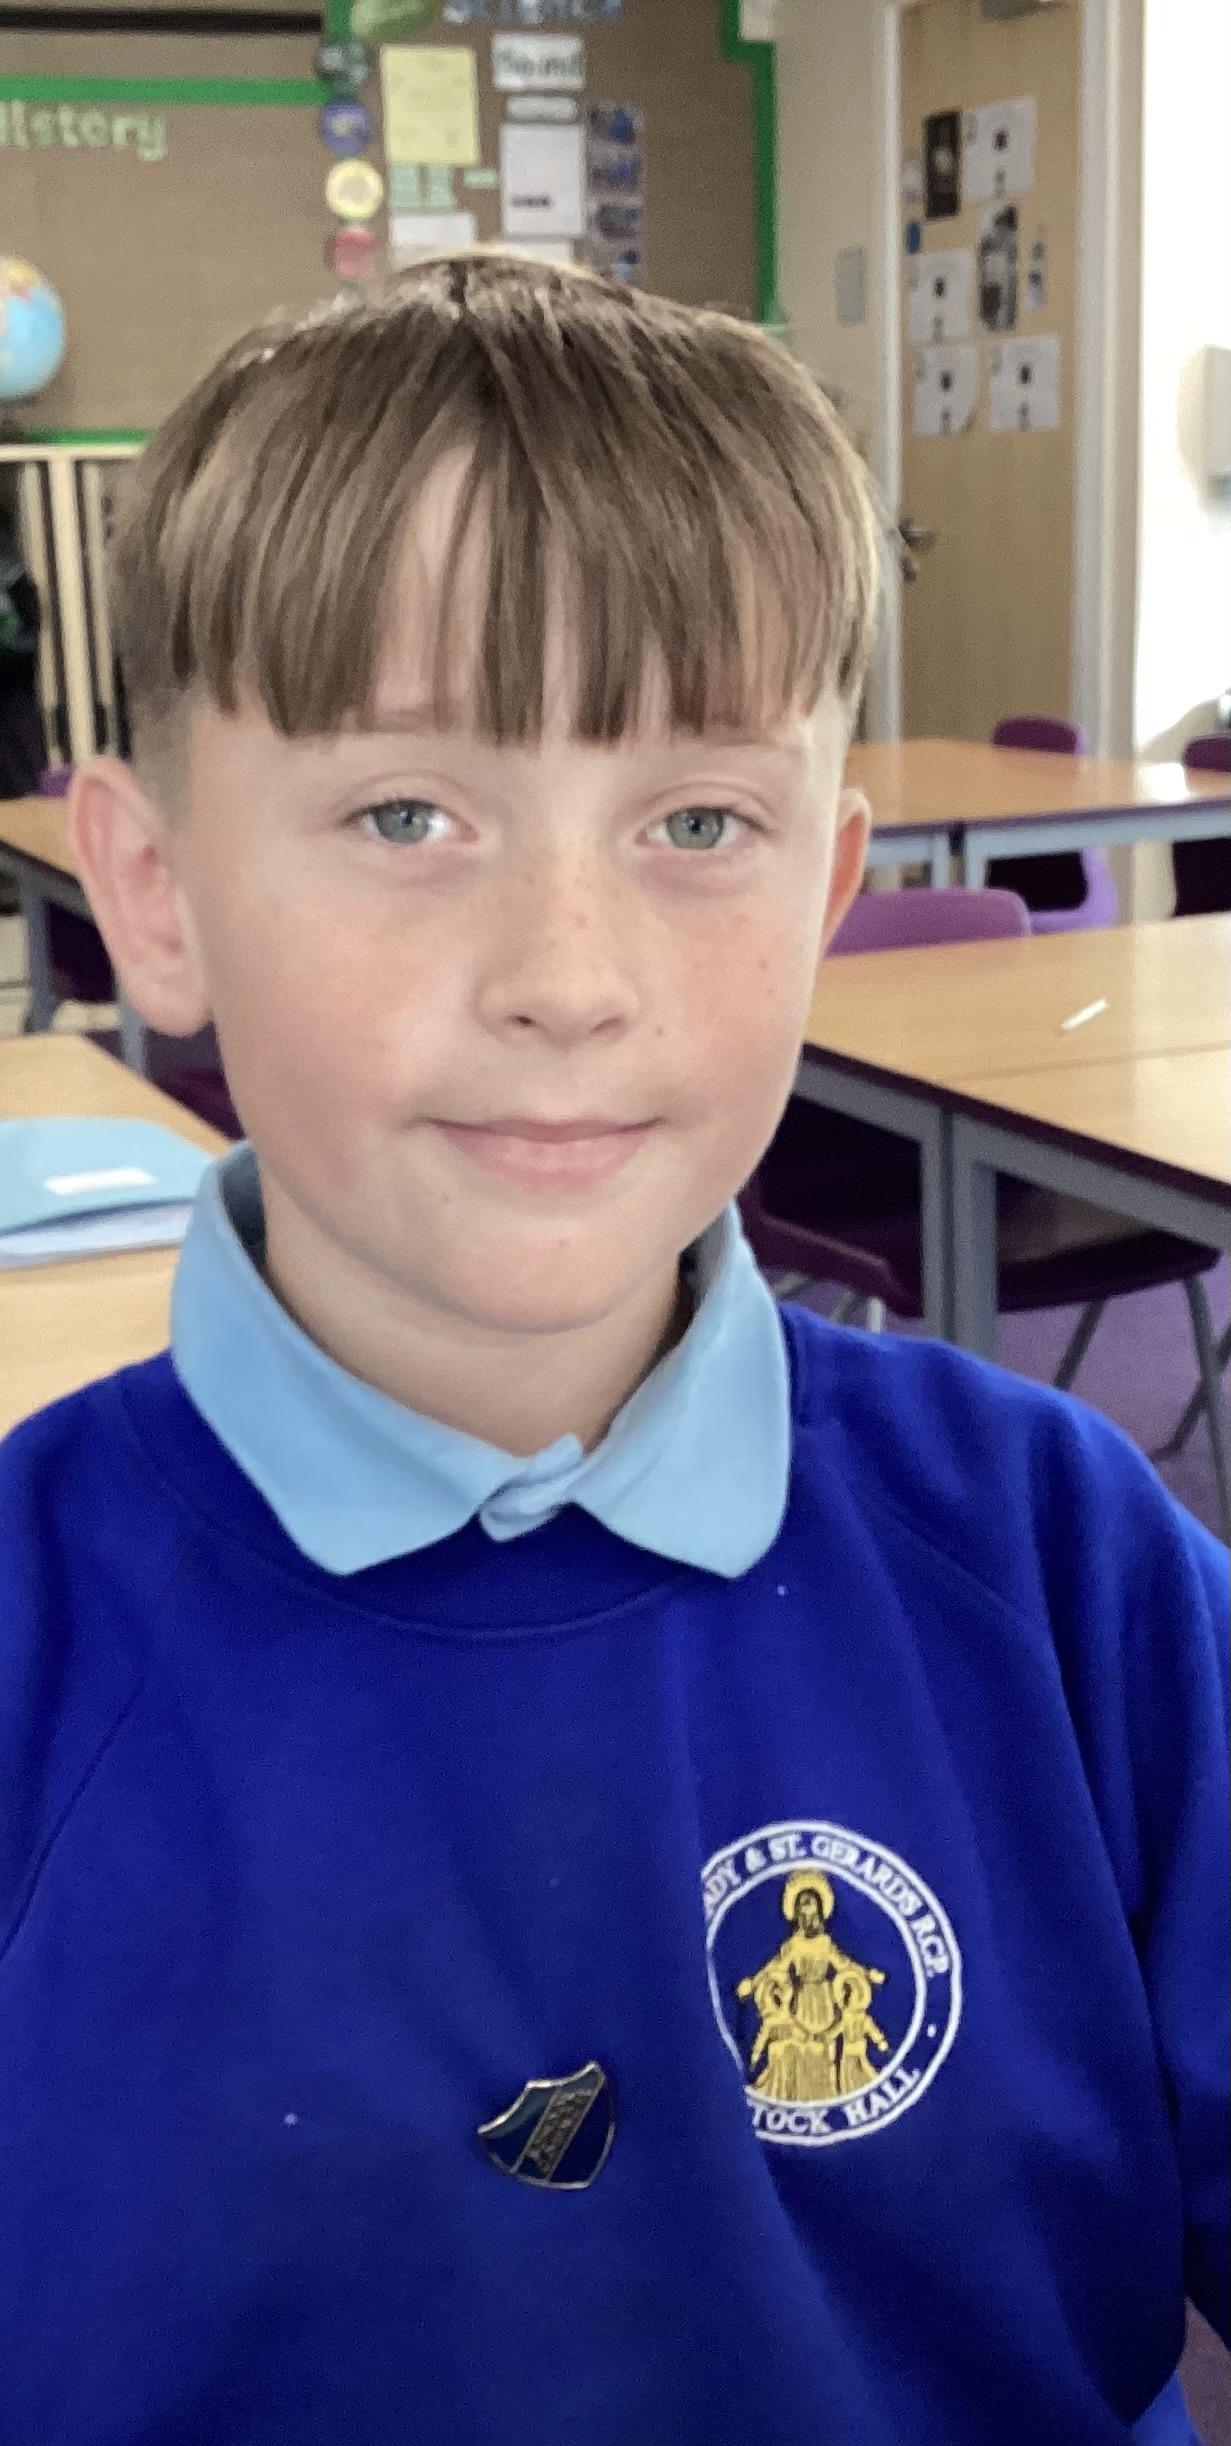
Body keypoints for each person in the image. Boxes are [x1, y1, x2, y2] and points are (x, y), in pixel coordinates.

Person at [0, 252, 1224, 2446]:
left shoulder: (1062, 1561)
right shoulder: (30, 1628)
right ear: (153, 891)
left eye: (695, 823)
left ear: (825, 885)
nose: (568, 975)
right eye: (407, 814)